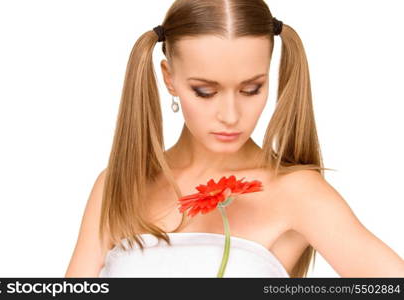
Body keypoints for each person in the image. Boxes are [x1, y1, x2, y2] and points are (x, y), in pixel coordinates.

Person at [65, 0, 404, 278]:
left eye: (251, 89)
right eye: (205, 92)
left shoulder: (298, 191)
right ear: (169, 78)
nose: (230, 115)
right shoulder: (118, 185)